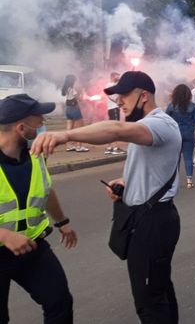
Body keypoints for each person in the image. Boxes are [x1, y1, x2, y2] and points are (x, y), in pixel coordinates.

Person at [32, 71, 182, 323]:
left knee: (149, 301)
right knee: (158, 288)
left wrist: (66, 135)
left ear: (143, 96)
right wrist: (126, 183)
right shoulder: (148, 125)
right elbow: (156, 168)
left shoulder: (158, 123)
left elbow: (115, 130)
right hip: (151, 217)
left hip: (153, 223)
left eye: (124, 95)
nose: (119, 102)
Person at [0, 94, 77, 324]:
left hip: (32, 246)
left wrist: (62, 222)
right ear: (21, 128)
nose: (43, 122)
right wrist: (4, 235)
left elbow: (45, 189)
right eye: (38, 119)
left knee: (60, 302)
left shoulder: (35, 154)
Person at [166, 84, 195, 189]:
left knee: (176, 159)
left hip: (175, 135)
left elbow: (166, 120)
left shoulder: (171, 106)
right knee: (188, 158)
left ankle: (174, 181)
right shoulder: (193, 106)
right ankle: (189, 181)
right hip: (189, 134)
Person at [61, 74, 89, 153]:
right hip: (75, 109)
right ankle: (79, 146)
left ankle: (69, 145)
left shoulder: (66, 89)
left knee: (69, 128)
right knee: (79, 128)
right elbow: (80, 99)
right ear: (72, 81)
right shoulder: (73, 90)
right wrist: (82, 92)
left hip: (68, 109)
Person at [105, 72, 126, 155]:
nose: (118, 78)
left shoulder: (110, 85)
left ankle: (109, 147)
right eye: (117, 77)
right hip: (113, 108)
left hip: (112, 108)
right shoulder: (110, 85)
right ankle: (115, 148)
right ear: (113, 77)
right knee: (115, 128)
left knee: (111, 127)